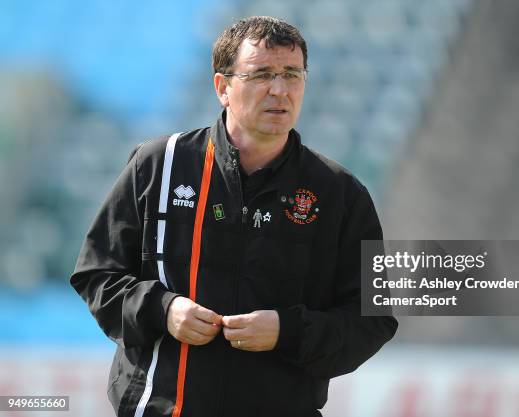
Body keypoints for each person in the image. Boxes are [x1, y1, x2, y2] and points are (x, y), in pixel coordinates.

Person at [70, 16, 397, 417]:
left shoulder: (340, 193)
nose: (280, 89)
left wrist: (286, 331)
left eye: (292, 74)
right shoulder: (159, 165)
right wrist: (163, 309)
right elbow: (96, 275)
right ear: (223, 87)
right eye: (261, 74)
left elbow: (374, 319)